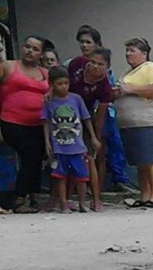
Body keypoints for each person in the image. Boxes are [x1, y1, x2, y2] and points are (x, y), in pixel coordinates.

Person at [113, 38, 153, 208]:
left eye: (132, 50)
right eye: (127, 50)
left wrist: (131, 89)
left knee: (150, 160)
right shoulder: (127, 72)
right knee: (140, 162)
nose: (128, 54)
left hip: (146, 122)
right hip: (130, 124)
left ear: (144, 54)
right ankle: (144, 195)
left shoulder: (150, 68)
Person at [0, 35, 50, 213]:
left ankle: (30, 197)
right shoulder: (8, 66)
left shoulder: (44, 73)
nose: (30, 51)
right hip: (12, 122)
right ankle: (19, 199)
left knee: (37, 157)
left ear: (41, 54)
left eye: (35, 49)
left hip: (38, 124)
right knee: (31, 154)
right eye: (28, 47)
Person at [42, 67, 101, 213]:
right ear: (52, 84)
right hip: (59, 147)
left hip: (77, 147)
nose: (63, 87)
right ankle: (63, 204)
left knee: (81, 177)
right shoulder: (49, 102)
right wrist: (47, 143)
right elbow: (46, 123)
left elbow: (86, 119)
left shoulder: (76, 99)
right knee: (60, 177)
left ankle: (82, 203)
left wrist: (93, 137)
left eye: (66, 83)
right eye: (59, 84)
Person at [67, 48, 113, 211]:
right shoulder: (76, 64)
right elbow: (60, 81)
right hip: (65, 115)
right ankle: (62, 198)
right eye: (92, 62)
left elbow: (100, 114)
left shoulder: (105, 86)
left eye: (100, 64)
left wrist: (96, 137)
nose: (95, 66)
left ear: (106, 67)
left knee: (90, 158)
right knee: (64, 157)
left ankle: (96, 199)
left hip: (87, 118)